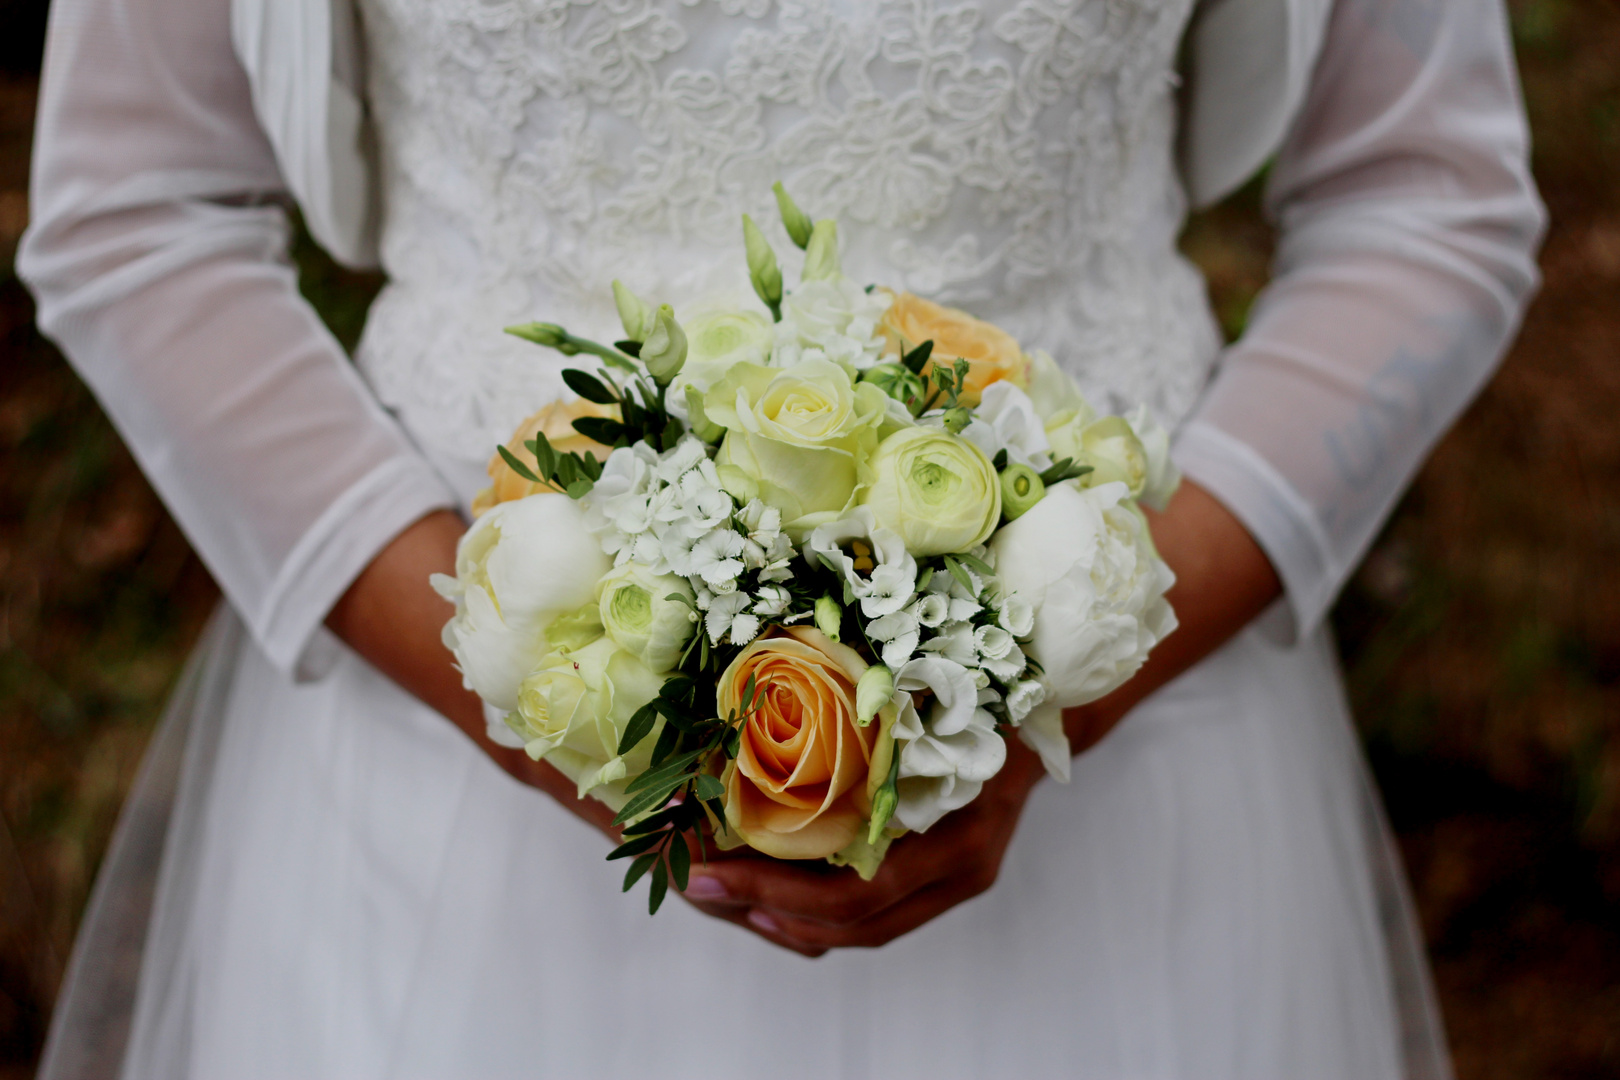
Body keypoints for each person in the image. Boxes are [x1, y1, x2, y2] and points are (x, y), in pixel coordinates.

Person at [19, 0, 1542, 1075]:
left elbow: (1429, 196)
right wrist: (557, 726)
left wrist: (1053, 703)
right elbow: (141, 211)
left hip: (1118, 791)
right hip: (461, 813)